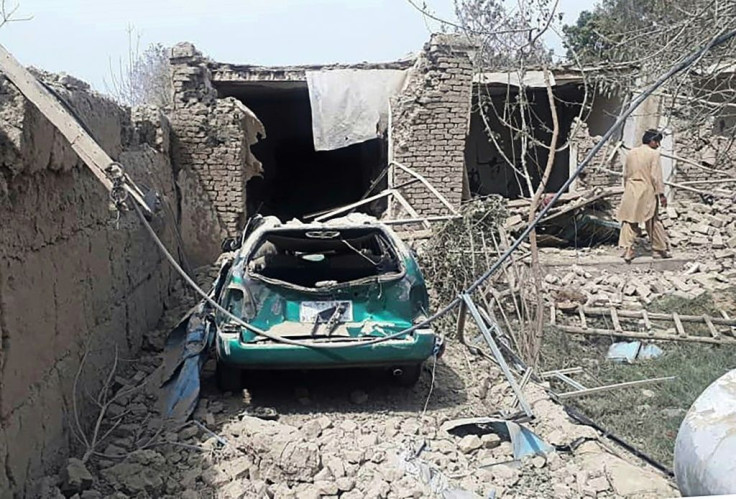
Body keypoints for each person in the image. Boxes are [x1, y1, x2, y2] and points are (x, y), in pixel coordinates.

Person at [617, 129, 671, 262]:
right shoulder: (653, 154)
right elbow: (655, 176)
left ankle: (628, 250)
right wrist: (661, 194)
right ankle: (659, 249)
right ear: (652, 141)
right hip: (646, 190)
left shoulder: (631, 153)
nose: (658, 145)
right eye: (657, 142)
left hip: (631, 189)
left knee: (629, 221)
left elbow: (625, 173)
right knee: (653, 221)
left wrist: (627, 188)